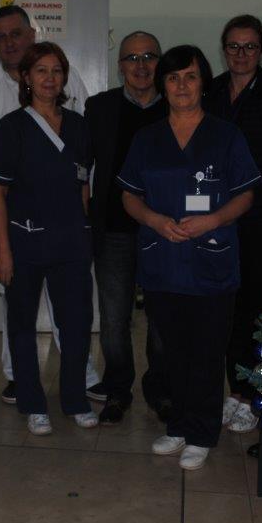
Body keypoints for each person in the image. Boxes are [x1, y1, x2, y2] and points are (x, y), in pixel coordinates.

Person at [118, 45, 260, 471]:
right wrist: (155, 220)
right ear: (163, 85)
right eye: (173, 77)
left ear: (203, 83)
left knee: (207, 350)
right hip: (162, 259)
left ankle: (201, 432)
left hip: (210, 259)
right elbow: (129, 196)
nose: (182, 85)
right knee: (171, 350)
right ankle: (179, 425)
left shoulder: (226, 136)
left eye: (191, 76)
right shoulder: (147, 139)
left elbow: (246, 194)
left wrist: (213, 219)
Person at [0, 5, 104, 405]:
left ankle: (82, 375)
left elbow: (83, 151)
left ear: (31, 33)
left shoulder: (66, 81)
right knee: (16, 304)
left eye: (16, 34)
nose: (9, 42)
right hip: (11, 216)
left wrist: (86, 214)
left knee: (70, 306)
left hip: (64, 218)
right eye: (0, 37)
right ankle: (16, 377)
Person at [0, 42, 99, 435]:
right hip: (26, 240)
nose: (50, 78)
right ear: (26, 78)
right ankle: (33, 402)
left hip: (72, 241)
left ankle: (75, 399)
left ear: (65, 77)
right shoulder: (11, 128)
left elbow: (83, 183)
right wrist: (3, 250)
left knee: (77, 322)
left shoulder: (79, 126)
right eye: (41, 71)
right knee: (21, 324)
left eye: (57, 71)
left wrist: (85, 229)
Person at [84, 31, 171, 425]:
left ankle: (160, 389)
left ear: (160, 63)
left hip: (163, 232)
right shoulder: (99, 107)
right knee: (114, 319)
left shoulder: (175, 104)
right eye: (132, 58)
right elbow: (83, 167)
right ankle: (118, 389)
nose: (141, 65)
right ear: (120, 66)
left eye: (149, 56)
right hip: (114, 231)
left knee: (162, 319)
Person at [204, 15, 262, 434]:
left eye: (250, 46)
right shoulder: (209, 92)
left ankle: (248, 394)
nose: (241, 54)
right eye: (233, 46)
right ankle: (224, 391)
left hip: (258, 220)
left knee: (254, 309)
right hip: (212, 218)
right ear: (223, 50)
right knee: (218, 308)